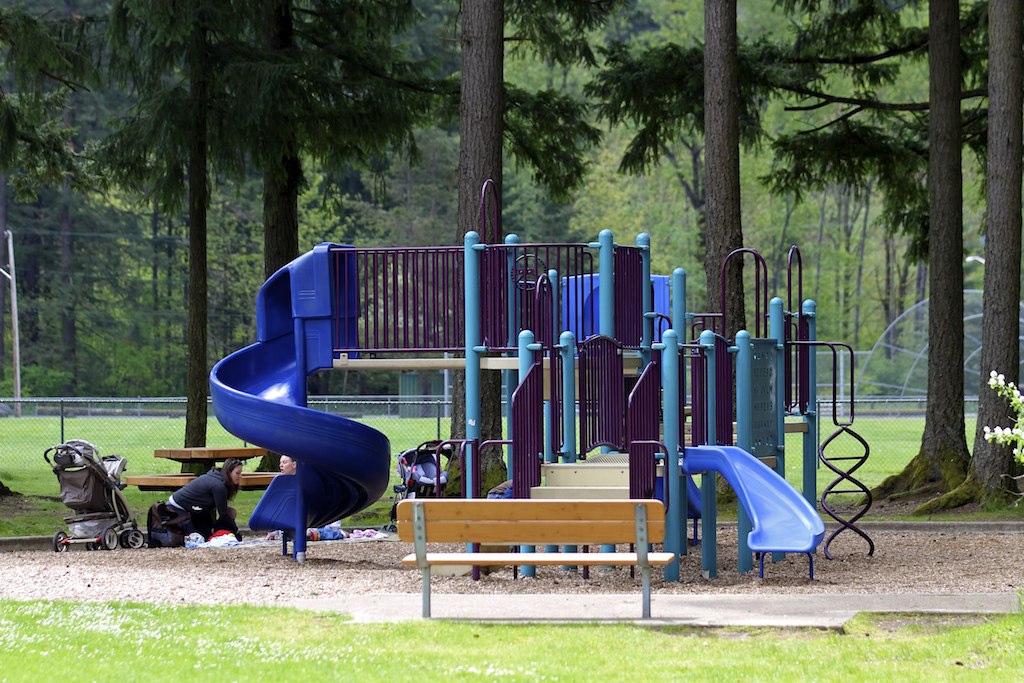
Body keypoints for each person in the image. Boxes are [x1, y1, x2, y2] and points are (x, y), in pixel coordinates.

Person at [167, 457, 243, 540]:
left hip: (197, 509)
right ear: (228, 472)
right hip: (178, 507)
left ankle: (218, 530)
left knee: (207, 535)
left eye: (241, 473)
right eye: (237, 473)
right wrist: (236, 531)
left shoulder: (218, 478)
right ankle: (219, 531)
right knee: (197, 538)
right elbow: (223, 513)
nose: (240, 476)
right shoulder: (219, 485)